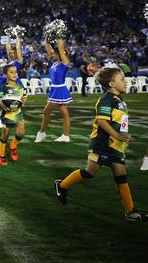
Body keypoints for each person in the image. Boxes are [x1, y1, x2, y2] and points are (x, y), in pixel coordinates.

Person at [54, 66, 147, 222]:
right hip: (103, 144)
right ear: (111, 84)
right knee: (90, 172)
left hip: (115, 146)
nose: (126, 82)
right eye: (122, 79)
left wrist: (122, 136)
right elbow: (102, 121)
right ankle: (62, 186)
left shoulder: (119, 100)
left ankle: (131, 212)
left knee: (120, 177)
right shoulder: (107, 99)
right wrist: (116, 134)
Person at [35, 38, 72, 143]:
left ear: (60, 54)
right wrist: (47, 37)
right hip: (55, 89)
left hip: (59, 90)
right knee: (64, 114)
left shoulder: (64, 63)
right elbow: (48, 48)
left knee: (46, 111)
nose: (52, 55)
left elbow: (60, 48)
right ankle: (65, 136)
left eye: (54, 54)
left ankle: (42, 133)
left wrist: (59, 36)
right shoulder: (55, 62)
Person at [0, 64, 27, 166]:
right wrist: (5, 107)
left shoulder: (21, 87)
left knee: (21, 133)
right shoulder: (3, 88)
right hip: (7, 114)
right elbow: (0, 102)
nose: (14, 74)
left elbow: (24, 98)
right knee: (5, 133)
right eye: (11, 72)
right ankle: (1, 153)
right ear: (5, 75)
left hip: (17, 113)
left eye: (15, 72)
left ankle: (13, 146)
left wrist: (23, 100)